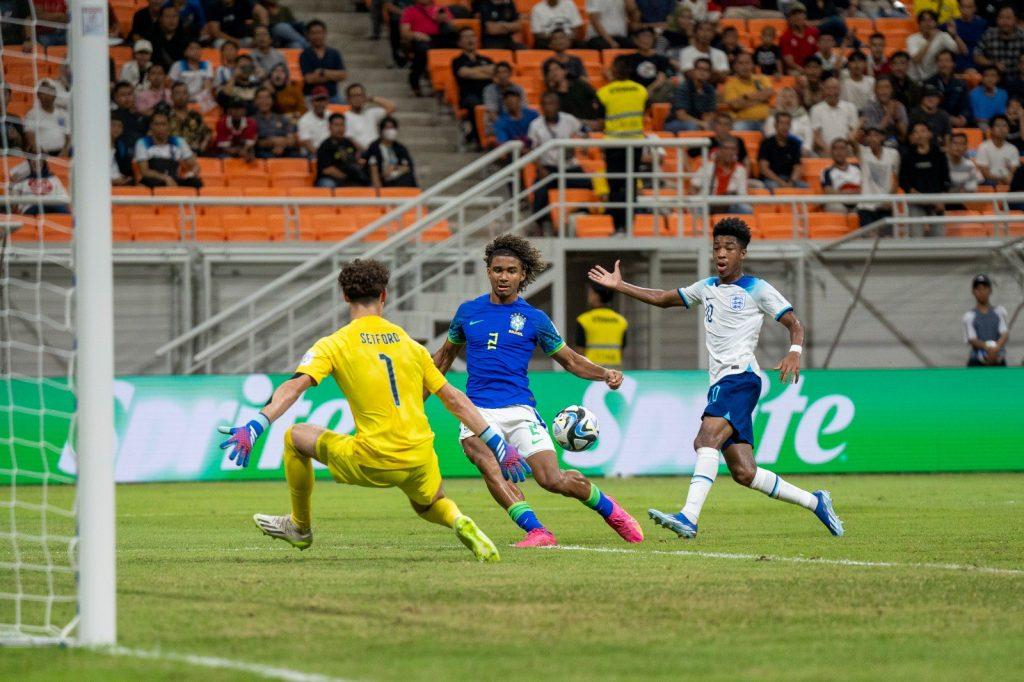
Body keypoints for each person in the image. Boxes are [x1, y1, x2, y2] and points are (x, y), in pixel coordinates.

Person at [225, 259, 503, 562]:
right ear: (384, 295)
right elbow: (454, 399)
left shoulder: (334, 344)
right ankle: (457, 519)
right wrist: (497, 444)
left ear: (345, 296)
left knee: (295, 437)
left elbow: (294, 386)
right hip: (419, 456)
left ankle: (300, 527)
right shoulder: (411, 345)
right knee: (428, 503)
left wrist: (257, 423)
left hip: (374, 457)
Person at [588, 219, 844, 540]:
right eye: (717, 248)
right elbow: (665, 298)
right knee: (744, 472)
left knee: (704, 441)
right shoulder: (706, 287)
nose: (721, 254)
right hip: (724, 381)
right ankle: (815, 501)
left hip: (740, 376)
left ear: (743, 253)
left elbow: (794, 323)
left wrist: (794, 351)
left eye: (729, 248)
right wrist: (621, 286)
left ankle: (689, 517)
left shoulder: (757, 288)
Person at [432, 234, 642, 548]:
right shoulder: (468, 312)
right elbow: (444, 358)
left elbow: (570, 360)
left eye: (511, 271)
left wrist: (604, 373)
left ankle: (610, 510)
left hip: (519, 410)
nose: (504, 276)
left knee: (551, 480)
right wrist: (416, 394)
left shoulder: (535, 319)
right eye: (498, 269)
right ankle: (537, 531)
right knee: (488, 464)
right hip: (477, 412)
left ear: (523, 275)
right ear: (488, 271)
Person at [598, 56, 649, 232]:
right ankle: (628, 226)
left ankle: (618, 226)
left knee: (615, 186)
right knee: (630, 186)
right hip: (634, 144)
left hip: (613, 144)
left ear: (614, 71)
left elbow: (599, 118)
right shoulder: (641, 90)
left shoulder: (604, 92)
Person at [527, 92, 590, 230]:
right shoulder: (535, 125)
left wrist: (584, 144)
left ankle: (585, 216)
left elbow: (584, 130)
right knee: (539, 189)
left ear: (558, 105)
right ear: (542, 107)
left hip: (570, 167)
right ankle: (541, 223)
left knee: (588, 182)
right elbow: (532, 150)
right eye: (545, 104)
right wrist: (540, 168)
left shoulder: (569, 119)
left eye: (552, 103)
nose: (549, 107)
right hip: (549, 169)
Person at [898, 121, 950, 234]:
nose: (919, 134)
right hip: (916, 201)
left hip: (937, 202)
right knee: (917, 236)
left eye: (923, 130)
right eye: (916, 132)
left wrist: (941, 200)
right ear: (912, 136)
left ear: (930, 134)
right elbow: (903, 181)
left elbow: (946, 179)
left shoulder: (939, 154)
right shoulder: (907, 156)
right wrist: (915, 194)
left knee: (939, 237)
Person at [400, 0, 455, 96]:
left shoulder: (441, 8)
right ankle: (415, 84)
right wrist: (416, 34)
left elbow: (452, 25)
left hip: (440, 38)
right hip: (420, 39)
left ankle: (442, 85)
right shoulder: (409, 11)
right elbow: (404, 32)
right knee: (422, 51)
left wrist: (443, 19)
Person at [135, 111, 203, 188]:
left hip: (173, 179)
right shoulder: (142, 142)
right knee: (142, 185)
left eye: (164, 124)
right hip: (153, 180)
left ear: (169, 126)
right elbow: (145, 171)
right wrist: (166, 178)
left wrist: (192, 173)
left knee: (196, 183)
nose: (161, 128)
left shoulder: (178, 141)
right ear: (151, 126)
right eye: (157, 124)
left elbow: (195, 165)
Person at [452, 27, 496, 146]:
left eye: (472, 36)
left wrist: (474, 72)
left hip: (488, 94)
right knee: (475, 105)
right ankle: (479, 140)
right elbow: (464, 73)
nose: (470, 40)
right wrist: (485, 73)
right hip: (469, 96)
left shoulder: (486, 59)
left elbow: (494, 72)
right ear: (459, 42)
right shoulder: (457, 60)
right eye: (466, 37)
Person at [854, 126, 899, 228]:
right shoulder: (862, 152)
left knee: (886, 241)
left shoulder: (893, 154)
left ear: (882, 138)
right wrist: (859, 125)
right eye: (869, 135)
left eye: (875, 135)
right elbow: (851, 140)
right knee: (869, 240)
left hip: (885, 205)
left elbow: (895, 180)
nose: (872, 138)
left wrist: (889, 200)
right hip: (866, 205)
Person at [575, 282, 628, 368]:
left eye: (590, 293)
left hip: (591, 371)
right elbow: (622, 350)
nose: (588, 296)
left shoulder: (583, 320)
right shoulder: (621, 321)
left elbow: (580, 351)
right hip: (614, 373)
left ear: (596, 296)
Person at [962, 274, 1009, 367]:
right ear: (973, 291)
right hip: (977, 360)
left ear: (990, 290)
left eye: (984, 288)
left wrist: (996, 348)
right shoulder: (969, 316)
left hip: (997, 358)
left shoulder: (999, 311)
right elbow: (972, 339)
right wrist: (987, 348)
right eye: (978, 289)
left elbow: (1004, 333)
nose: (981, 292)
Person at [695, 137, 751, 213]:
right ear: (719, 150)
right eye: (726, 148)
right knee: (697, 209)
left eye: (733, 149)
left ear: (737, 151)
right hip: (708, 203)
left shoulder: (740, 170)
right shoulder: (707, 166)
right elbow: (694, 186)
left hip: (729, 205)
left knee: (745, 210)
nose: (729, 152)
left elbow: (742, 194)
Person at [722, 52, 773, 131]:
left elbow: (769, 93)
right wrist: (761, 98)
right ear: (735, 66)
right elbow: (736, 105)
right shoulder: (730, 85)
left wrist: (746, 97)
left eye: (747, 63)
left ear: (752, 65)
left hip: (766, 121)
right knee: (737, 128)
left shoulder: (762, 78)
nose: (745, 66)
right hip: (744, 122)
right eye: (741, 63)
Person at [299, 19, 347, 103]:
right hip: (311, 97)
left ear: (325, 33)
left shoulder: (334, 53)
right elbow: (309, 79)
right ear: (308, 35)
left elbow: (343, 75)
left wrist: (322, 72)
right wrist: (332, 76)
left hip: (332, 96)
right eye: (313, 33)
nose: (317, 36)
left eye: (319, 32)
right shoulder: (304, 55)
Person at [315, 113, 368, 188]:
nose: (340, 128)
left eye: (342, 125)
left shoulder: (348, 142)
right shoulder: (325, 145)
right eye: (336, 125)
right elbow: (327, 170)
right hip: (330, 179)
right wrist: (347, 178)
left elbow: (357, 159)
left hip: (349, 177)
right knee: (328, 184)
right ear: (329, 127)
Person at [622, 27, 674, 103]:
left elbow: (660, 78)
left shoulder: (660, 58)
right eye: (643, 36)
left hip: (653, 92)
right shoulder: (629, 58)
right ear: (636, 40)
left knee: (669, 83)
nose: (646, 40)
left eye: (649, 37)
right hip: (634, 91)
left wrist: (649, 90)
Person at [906, 9, 959, 82]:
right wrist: (931, 39)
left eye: (930, 20)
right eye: (924, 20)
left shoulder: (942, 36)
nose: (927, 24)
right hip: (915, 80)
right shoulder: (912, 39)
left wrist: (954, 35)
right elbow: (916, 59)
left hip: (936, 79)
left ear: (936, 23)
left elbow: (958, 51)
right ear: (919, 24)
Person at [665, 57, 716, 132]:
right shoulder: (683, 88)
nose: (702, 72)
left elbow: (710, 112)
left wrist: (706, 123)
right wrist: (701, 123)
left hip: (699, 122)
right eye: (699, 69)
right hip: (675, 123)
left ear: (710, 73)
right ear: (694, 71)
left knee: (719, 125)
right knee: (692, 126)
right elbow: (681, 115)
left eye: (706, 70)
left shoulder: (710, 89)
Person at [810, 77, 859, 155]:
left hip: (847, 151)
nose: (832, 92)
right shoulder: (816, 109)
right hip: (826, 151)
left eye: (835, 88)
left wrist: (842, 150)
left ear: (840, 90)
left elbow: (854, 132)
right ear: (823, 90)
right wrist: (829, 150)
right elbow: (816, 135)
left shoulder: (851, 107)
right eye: (828, 88)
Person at [364, 117, 417, 188]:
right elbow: (372, 165)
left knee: (409, 178)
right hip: (382, 180)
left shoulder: (400, 147)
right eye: (387, 128)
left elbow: (408, 166)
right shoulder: (374, 147)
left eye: (392, 128)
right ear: (381, 130)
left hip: (397, 177)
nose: (390, 131)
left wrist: (395, 168)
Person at [544, 60, 601, 126]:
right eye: (550, 71)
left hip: (590, 124)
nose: (554, 73)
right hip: (567, 128)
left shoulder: (581, 85)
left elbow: (597, 100)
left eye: (556, 69)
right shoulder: (551, 96)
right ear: (547, 76)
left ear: (565, 71)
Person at [757, 112, 806, 189]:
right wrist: (781, 183)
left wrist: (791, 182)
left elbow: (797, 167)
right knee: (774, 186)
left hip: (788, 179)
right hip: (771, 180)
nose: (785, 127)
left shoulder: (795, 144)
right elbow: (764, 169)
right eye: (781, 123)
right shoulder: (766, 143)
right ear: (775, 125)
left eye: (787, 123)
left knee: (804, 186)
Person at [974, 6, 1024, 79]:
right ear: (997, 19)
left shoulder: (1022, 37)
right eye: (1001, 17)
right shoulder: (989, 34)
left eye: (1008, 18)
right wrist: (993, 63)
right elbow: (977, 56)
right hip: (993, 79)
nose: (1004, 21)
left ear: (1015, 20)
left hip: (1016, 78)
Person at [343, 83, 397, 152]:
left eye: (360, 95)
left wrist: (372, 98)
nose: (357, 99)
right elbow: (350, 140)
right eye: (354, 96)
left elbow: (392, 107)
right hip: (361, 154)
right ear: (348, 99)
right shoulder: (345, 117)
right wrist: (368, 153)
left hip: (377, 151)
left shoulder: (371, 113)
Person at [927, 49, 972, 128]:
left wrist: (963, 118)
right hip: (936, 123)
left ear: (953, 64)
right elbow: (929, 108)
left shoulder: (961, 84)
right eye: (940, 61)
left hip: (958, 122)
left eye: (947, 61)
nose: (943, 64)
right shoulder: (929, 83)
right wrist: (949, 118)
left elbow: (966, 106)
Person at [23, 80, 69, 156]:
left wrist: (65, 151)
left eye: (50, 91)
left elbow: (68, 136)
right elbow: (30, 136)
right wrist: (41, 153)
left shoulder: (63, 114)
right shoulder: (32, 115)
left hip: (63, 153)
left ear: (55, 95)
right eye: (44, 92)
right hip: (42, 155)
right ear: (38, 95)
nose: (47, 95)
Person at [763, 87, 813, 154]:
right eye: (784, 97)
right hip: (779, 151)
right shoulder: (772, 117)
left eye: (791, 97)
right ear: (778, 100)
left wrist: (806, 148)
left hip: (802, 151)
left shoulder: (803, 115)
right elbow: (770, 135)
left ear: (796, 100)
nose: (788, 99)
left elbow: (809, 135)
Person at [861, 76, 908, 146]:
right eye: (881, 88)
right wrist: (889, 113)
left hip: (897, 144)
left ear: (892, 90)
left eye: (887, 87)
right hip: (876, 145)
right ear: (875, 90)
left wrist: (897, 119)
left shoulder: (899, 106)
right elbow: (873, 133)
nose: (884, 91)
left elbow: (905, 134)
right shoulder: (869, 107)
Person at [254, 87, 299, 158]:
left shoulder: (282, 119)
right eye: (260, 98)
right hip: (262, 154)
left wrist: (281, 146)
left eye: (267, 98)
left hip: (285, 151)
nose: (264, 101)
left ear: (272, 101)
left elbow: (292, 140)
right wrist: (271, 142)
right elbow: (253, 142)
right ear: (255, 101)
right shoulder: (252, 121)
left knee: (298, 157)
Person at [169, 81, 212, 155]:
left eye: (184, 93)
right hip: (171, 155)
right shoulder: (165, 116)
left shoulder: (195, 115)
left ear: (188, 96)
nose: (181, 96)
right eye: (177, 93)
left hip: (195, 153)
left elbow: (207, 133)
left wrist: (203, 145)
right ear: (171, 96)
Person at [975, 114, 1020, 185]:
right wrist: (1001, 179)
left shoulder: (1013, 149)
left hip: (1009, 181)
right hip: (989, 182)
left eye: (1005, 126)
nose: (1002, 129)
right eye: (998, 126)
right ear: (991, 129)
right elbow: (985, 173)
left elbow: (1014, 171)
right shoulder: (983, 147)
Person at [820, 138, 861, 214]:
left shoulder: (858, 168)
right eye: (835, 149)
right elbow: (828, 191)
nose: (839, 152)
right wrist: (846, 193)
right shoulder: (826, 171)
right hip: (839, 202)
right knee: (833, 206)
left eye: (842, 148)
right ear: (831, 152)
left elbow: (866, 186)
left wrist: (855, 192)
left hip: (859, 200)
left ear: (847, 152)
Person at [169, 40, 215, 105]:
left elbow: (207, 87)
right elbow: (171, 86)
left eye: (198, 48)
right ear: (185, 52)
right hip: (181, 100)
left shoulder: (207, 64)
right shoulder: (178, 65)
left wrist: (197, 102)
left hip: (201, 100)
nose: (196, 51)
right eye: (192, 48)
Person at [780, 3, 821, 74]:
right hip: (796, 70)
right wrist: (804, 71)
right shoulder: (785, 37)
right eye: (794, 14)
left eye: (800, 13)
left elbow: (819, 53)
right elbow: (790, 62)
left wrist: (814, 69)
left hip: (814, 67)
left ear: (805, 16)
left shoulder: (814, 32)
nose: (798, 17)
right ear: (789, 18)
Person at [483, 62, 527, 126]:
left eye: (505, 72)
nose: (502, 75)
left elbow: (524, 109)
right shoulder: (489, 89)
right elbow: (492, 113)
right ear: (496, 75)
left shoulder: (518, 89)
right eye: (499, 72)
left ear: (510, 73)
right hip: (497, 124)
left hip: (516, 123)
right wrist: (506, 127)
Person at [953, 0, 987, 73]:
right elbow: (935, 30)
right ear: (959, 8)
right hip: (957, 64)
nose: (966, 10)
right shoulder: (953, 24)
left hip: (977, 63)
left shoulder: (982, 24)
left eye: (969, 7)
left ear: (975, 8)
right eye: (963, 7)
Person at [111, 80, 148, 146]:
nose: (127, 98)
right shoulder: (112, 116)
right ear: (115, 98)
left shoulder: (142, 117)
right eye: (123, 95)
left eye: (129, 94)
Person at [297, 85, 331, 156]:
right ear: (312, 101)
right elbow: (307, 144)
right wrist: (325, 157)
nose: (321, 104)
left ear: (327, 101)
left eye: (323, 100)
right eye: (318, 100)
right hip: (313, 155)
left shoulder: (332, 116)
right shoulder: (304, 120)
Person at [110, 116, 136, 187]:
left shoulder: (119, 145)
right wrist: (114, 181)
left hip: (118, 181)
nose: (116, 129)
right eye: (113, 125)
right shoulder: (99, 147)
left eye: (119, 126)